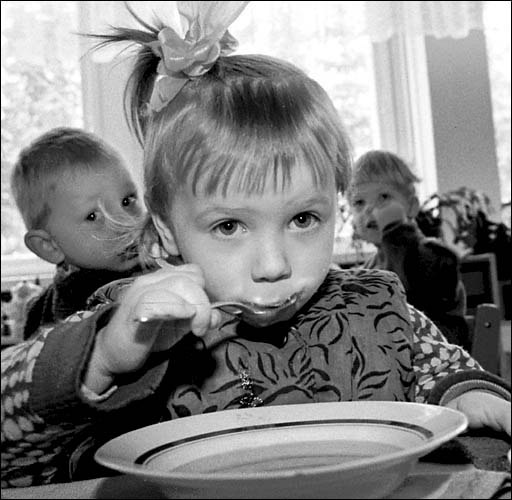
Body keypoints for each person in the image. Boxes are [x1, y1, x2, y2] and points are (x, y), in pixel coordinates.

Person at [2, 1, 510, 489]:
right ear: (167, 229)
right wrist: (103, 358)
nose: (273, 266)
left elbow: (446, 374)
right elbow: (17, 456)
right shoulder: (136, 327)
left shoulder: (378, 307)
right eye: (229, 226)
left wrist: (468, 396)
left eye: (303, 219)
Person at [9, 127, 145, 339]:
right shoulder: (76, 311)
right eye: (93, 216)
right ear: (49, 246)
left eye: (127, 201)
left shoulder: (159, 260)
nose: (127, 223)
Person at [347, 150, 471, 351]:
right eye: (359, 203)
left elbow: (407, 289)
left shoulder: (430, 255)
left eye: (384, 198)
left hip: (435, 358)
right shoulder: (369, 269)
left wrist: (395, 231)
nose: (369, 209)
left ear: (412, 206)